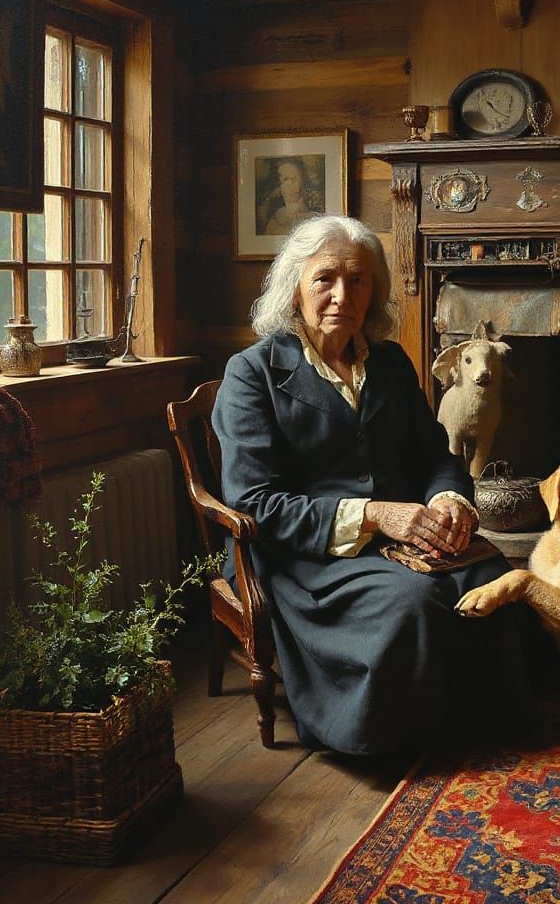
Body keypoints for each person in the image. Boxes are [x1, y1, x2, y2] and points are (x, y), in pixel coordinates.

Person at [212, 215, 531, 754]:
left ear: (374, 291)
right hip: (304, 555)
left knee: (491, 575)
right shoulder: (253, 372)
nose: (342, 295)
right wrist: (377, 514)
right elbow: (254, 503)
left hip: (400, 538)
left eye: (358, 280)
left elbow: (434, 453)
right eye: (325, 279)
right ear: (295, 286)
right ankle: (394, 738)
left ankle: (484, 725)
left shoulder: (388, 362)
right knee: (413, 604)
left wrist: (448, 499)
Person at [262, 158, 318, 236]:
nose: (297, 185)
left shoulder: (311, 219)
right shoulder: (274, 220)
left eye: (299, 179)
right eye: (290, 179)